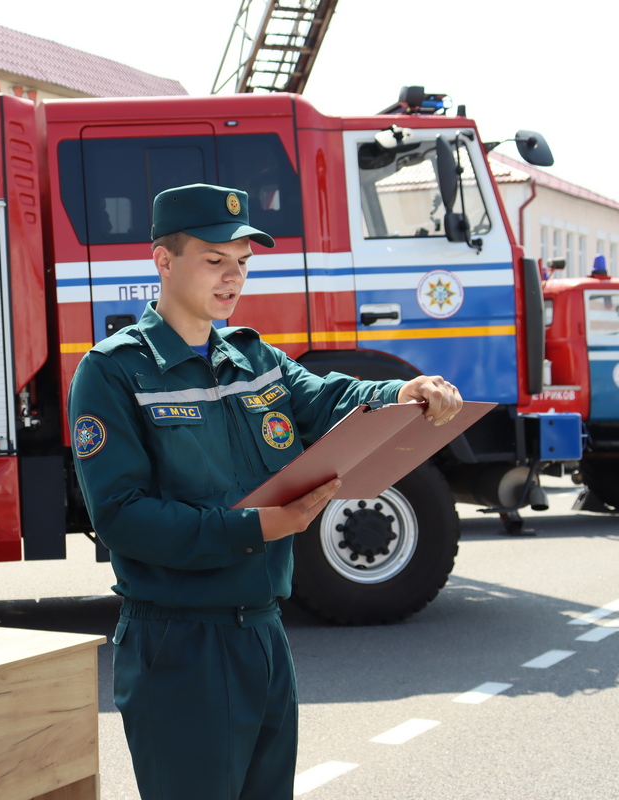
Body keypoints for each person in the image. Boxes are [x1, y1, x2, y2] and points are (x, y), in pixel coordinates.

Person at [67, 184, 462, 800]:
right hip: (180, 642)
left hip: (265, 634)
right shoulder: (113, 371)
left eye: (243, 263)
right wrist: (258, 529)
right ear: (163, 261)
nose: (233, 278)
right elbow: (123, 517)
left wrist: (400, 393)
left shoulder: (254, 359)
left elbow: (331, 397)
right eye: (215, 259)